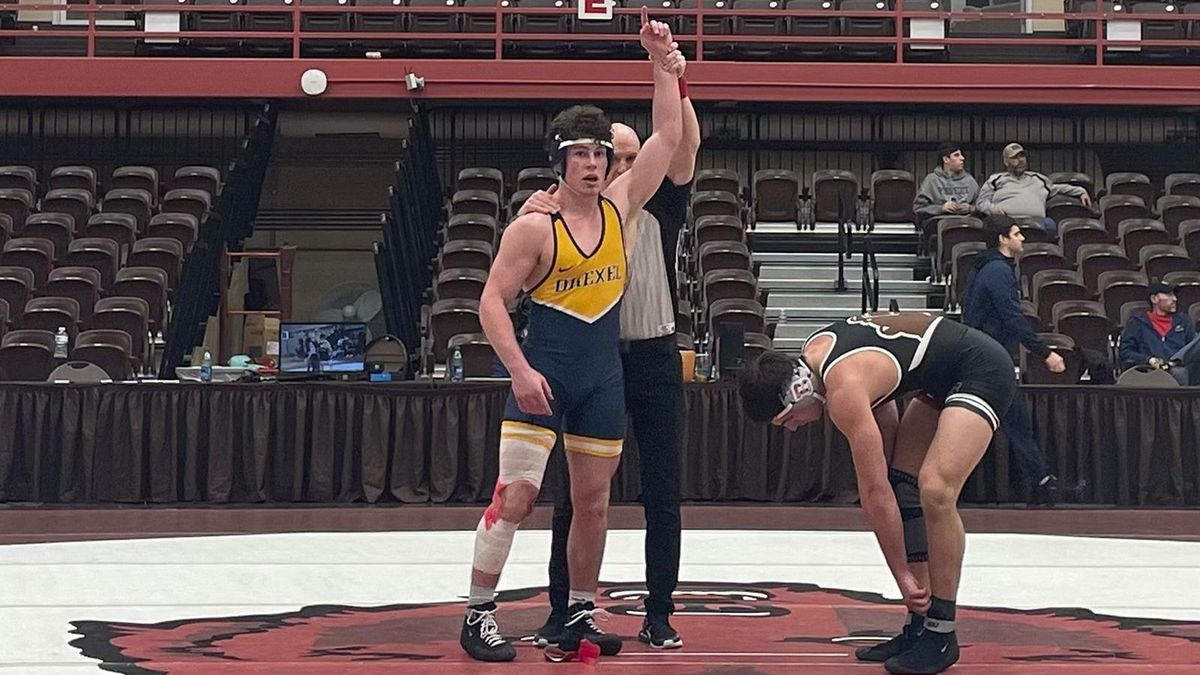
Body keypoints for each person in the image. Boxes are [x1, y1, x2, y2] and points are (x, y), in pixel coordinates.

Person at [459, 12, 684, 664]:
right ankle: (478, 613)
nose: (592, 164)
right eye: (580, 154)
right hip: (546, 374)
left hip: (601, 381)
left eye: (599, 154)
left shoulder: (621, 208)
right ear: (558, 161)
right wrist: (520, 371)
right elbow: (491, 304)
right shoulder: (535, 227)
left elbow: (668, 135)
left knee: (593, 502)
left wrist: (659, 61)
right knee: (519, 496)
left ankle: (579, 611)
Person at [518, 88, 701, 651]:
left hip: (653, 353)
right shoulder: (566, 213)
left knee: (662, 489)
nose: (619, 167)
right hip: (594, 358)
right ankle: (562, 610)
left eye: (628, 157)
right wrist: (534, 205)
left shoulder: (660, 202)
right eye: (610, 156)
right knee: (574, 496)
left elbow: (684, 140)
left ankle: (661, 611)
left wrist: (675, 76)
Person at [739, 311, 1018, 675]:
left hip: (981, 370)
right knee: (905, 485)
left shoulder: (843, 391)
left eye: (786, 419)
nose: (792, 429)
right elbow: (885, 408)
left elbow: (873, 493)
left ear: (798, 392)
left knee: (935, 489)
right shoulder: (815, 352)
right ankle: (920, 623)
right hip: (939, 376)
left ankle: (943, 633)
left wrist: (901, 574)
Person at [961, 213, 1070, 506]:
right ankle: (1042, 484)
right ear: (1003, 239)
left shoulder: (985, 265)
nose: (1022, 238)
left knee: (1014, 421)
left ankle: (1040, 483)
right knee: (1015, 422)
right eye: (1017, 233)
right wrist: (1045, 352)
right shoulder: (997, 270)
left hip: (981, 354)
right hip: (989, 358)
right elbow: (1012, 319)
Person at [975, 143, 1090, 239]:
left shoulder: (1038, 178)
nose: (1020, 161)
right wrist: (992, 209)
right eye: (1014, 158)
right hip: (1007, 222)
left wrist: (1080, 190)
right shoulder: (996, 179)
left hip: (1038, 222)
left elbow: (1057, 188)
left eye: (1022, 156)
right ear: (1006, 162)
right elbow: (980, 203)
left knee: (1051, 225)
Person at [1118, 281, 1200, 384]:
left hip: (1179, 368)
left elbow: (1191, 350)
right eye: (1169, 295)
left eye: (1174, 295)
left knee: (1181, 370)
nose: (1175, 299)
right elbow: (1126, 352)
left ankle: (1174, 361)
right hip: (1149, 369)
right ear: (1154, 299)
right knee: (1179, 373)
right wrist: (1148, 360)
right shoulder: (1137, 322)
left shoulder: (1183, 321)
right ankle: (1172, 363)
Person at [914, 143, 978, 228]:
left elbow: (981, 206)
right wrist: (941, 208)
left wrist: (970, 208)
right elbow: (918, 208)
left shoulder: (970, 181)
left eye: (961, 155)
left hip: (966, 223)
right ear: (946, 159)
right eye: (956, 155)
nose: (962, 158)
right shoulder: (931, 180)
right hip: (939, 223)